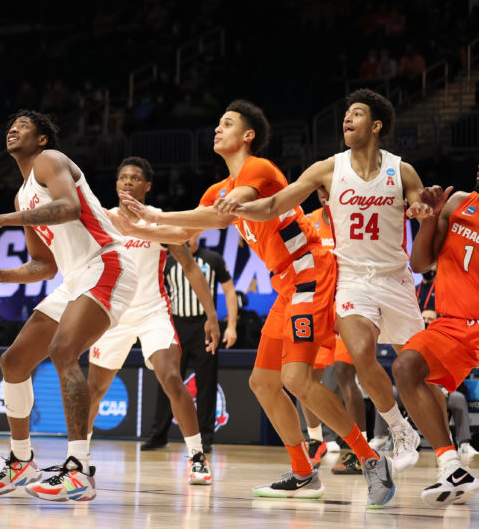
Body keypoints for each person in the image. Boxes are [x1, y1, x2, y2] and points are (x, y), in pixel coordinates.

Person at [133, 100, 394, 507]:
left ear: (248, 135)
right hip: (285, 286)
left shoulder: (259, 168)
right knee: (263, 382)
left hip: (311, 272)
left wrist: (151, 217)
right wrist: (137, 225)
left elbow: (221, 215)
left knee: (296, 379)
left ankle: (370, 459)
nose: (217, 129)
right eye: (217, 123)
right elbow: (188, 227)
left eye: (227, 123)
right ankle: (304, 472)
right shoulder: (216, 189)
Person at [227, 90, 429, 476]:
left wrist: (420, 208)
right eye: (345, 114)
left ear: (376, 125)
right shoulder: (325, 172)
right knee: (341, 364)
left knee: (416, 369)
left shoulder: (400, 170)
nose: (346, 119)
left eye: (356, 113)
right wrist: (235, 209)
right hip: (345, 284)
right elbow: (270, 206)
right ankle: (373, 441)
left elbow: (419, 203)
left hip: (384, 278)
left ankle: (440, 453)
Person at [0, 110, 139, 502]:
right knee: (13, 362)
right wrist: (1, 276)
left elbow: (69, 208)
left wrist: (1, 221)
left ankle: (78, 469)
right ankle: (21, 460)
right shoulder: (21, 192)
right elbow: (44, 265)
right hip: (75, 277)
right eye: (11, 124)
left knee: (63, 349)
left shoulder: (51, 160)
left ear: (42, 139)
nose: (13, 128)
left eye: (24, 126)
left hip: (107, 261)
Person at [94, 156, 220, 484]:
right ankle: (79, 458)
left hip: (153, 312)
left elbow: (191, 268)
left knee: (171, 378)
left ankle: (196, 457)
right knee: (93, 390)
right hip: (112, 314)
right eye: (122, 177)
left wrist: (211, 315)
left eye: (135, 178)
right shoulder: (104, 219)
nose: (127, 182)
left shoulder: (159, 221)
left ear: (147, 186)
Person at [393, 166, 479, 506]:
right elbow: (419, 263)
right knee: (405, 368)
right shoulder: (458, 202)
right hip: (452, 323)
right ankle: (452, 466)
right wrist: (428, 218)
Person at [142, 230, 236, 454]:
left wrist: (231, 325)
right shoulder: (169, 260)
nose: (188, 237)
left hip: (205, 325)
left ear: (199, 234)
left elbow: (230, 292)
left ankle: (205, 438)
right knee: (167, 379)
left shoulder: (213, 259)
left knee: (207, 383)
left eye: (192, 233)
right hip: (176, 325)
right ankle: (158, 435)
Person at [301, 189, 368, 475]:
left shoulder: (352, 225)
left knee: (344, 373)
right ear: (319, 196)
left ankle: (359, 450)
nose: (328, 196)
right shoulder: (307, 222)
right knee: (304, 379)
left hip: (347, 307)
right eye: (323, 192)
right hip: (317, 309)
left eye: (333, 191)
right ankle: (316, 440)